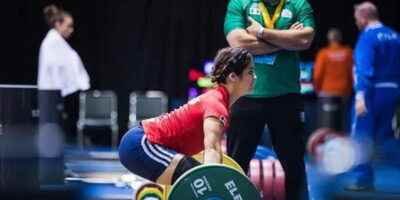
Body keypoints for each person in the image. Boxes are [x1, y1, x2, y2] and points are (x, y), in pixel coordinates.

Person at [118, 47, 255, 185]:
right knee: (199, 182)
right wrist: (215, 186)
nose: (255, 77)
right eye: (250, 72)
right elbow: (212, 149)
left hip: (143, 143)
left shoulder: (217, 100)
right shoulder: (216, 104)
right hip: (142, 143)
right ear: (233, 76)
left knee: (198, 179)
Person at [224, 0, 315, 199]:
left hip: (286, 97)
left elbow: (305, 40)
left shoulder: (299, 4)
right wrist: (286, 40)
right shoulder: (239, 3)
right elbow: (238, 43)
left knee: (294, 165)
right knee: (234, 164)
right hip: (245, 96)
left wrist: (262, 32)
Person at [348, 1, 400, 191]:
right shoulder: (395, 36)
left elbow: (364, 70)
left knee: (361, 135)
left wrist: (361, 97)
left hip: (372, 92)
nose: (356, 23)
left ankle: (363, 180)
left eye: (356, 19)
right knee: (386, 136)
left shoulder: (367, 37)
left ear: (363, 17)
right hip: (393, 91)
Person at [38, 4, 90, 142]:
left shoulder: (57, 41)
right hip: (49, 92)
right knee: (50, 129)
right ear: (57, 24)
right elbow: (63, 65)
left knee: (54, 130)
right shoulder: (53, 41)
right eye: (68, 25)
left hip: (54, 92)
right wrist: (79, 81)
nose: (71, 30)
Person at [313, 28, 353, 131]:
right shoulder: (348, 53)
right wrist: (349, 91)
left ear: (328, 39)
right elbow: (352, 74)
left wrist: (317, 90)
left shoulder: (323, 53)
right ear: (340, 38)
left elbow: (317, 75)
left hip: (326, 93)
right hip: (343, 93)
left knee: (326, 125)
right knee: (342, 125)